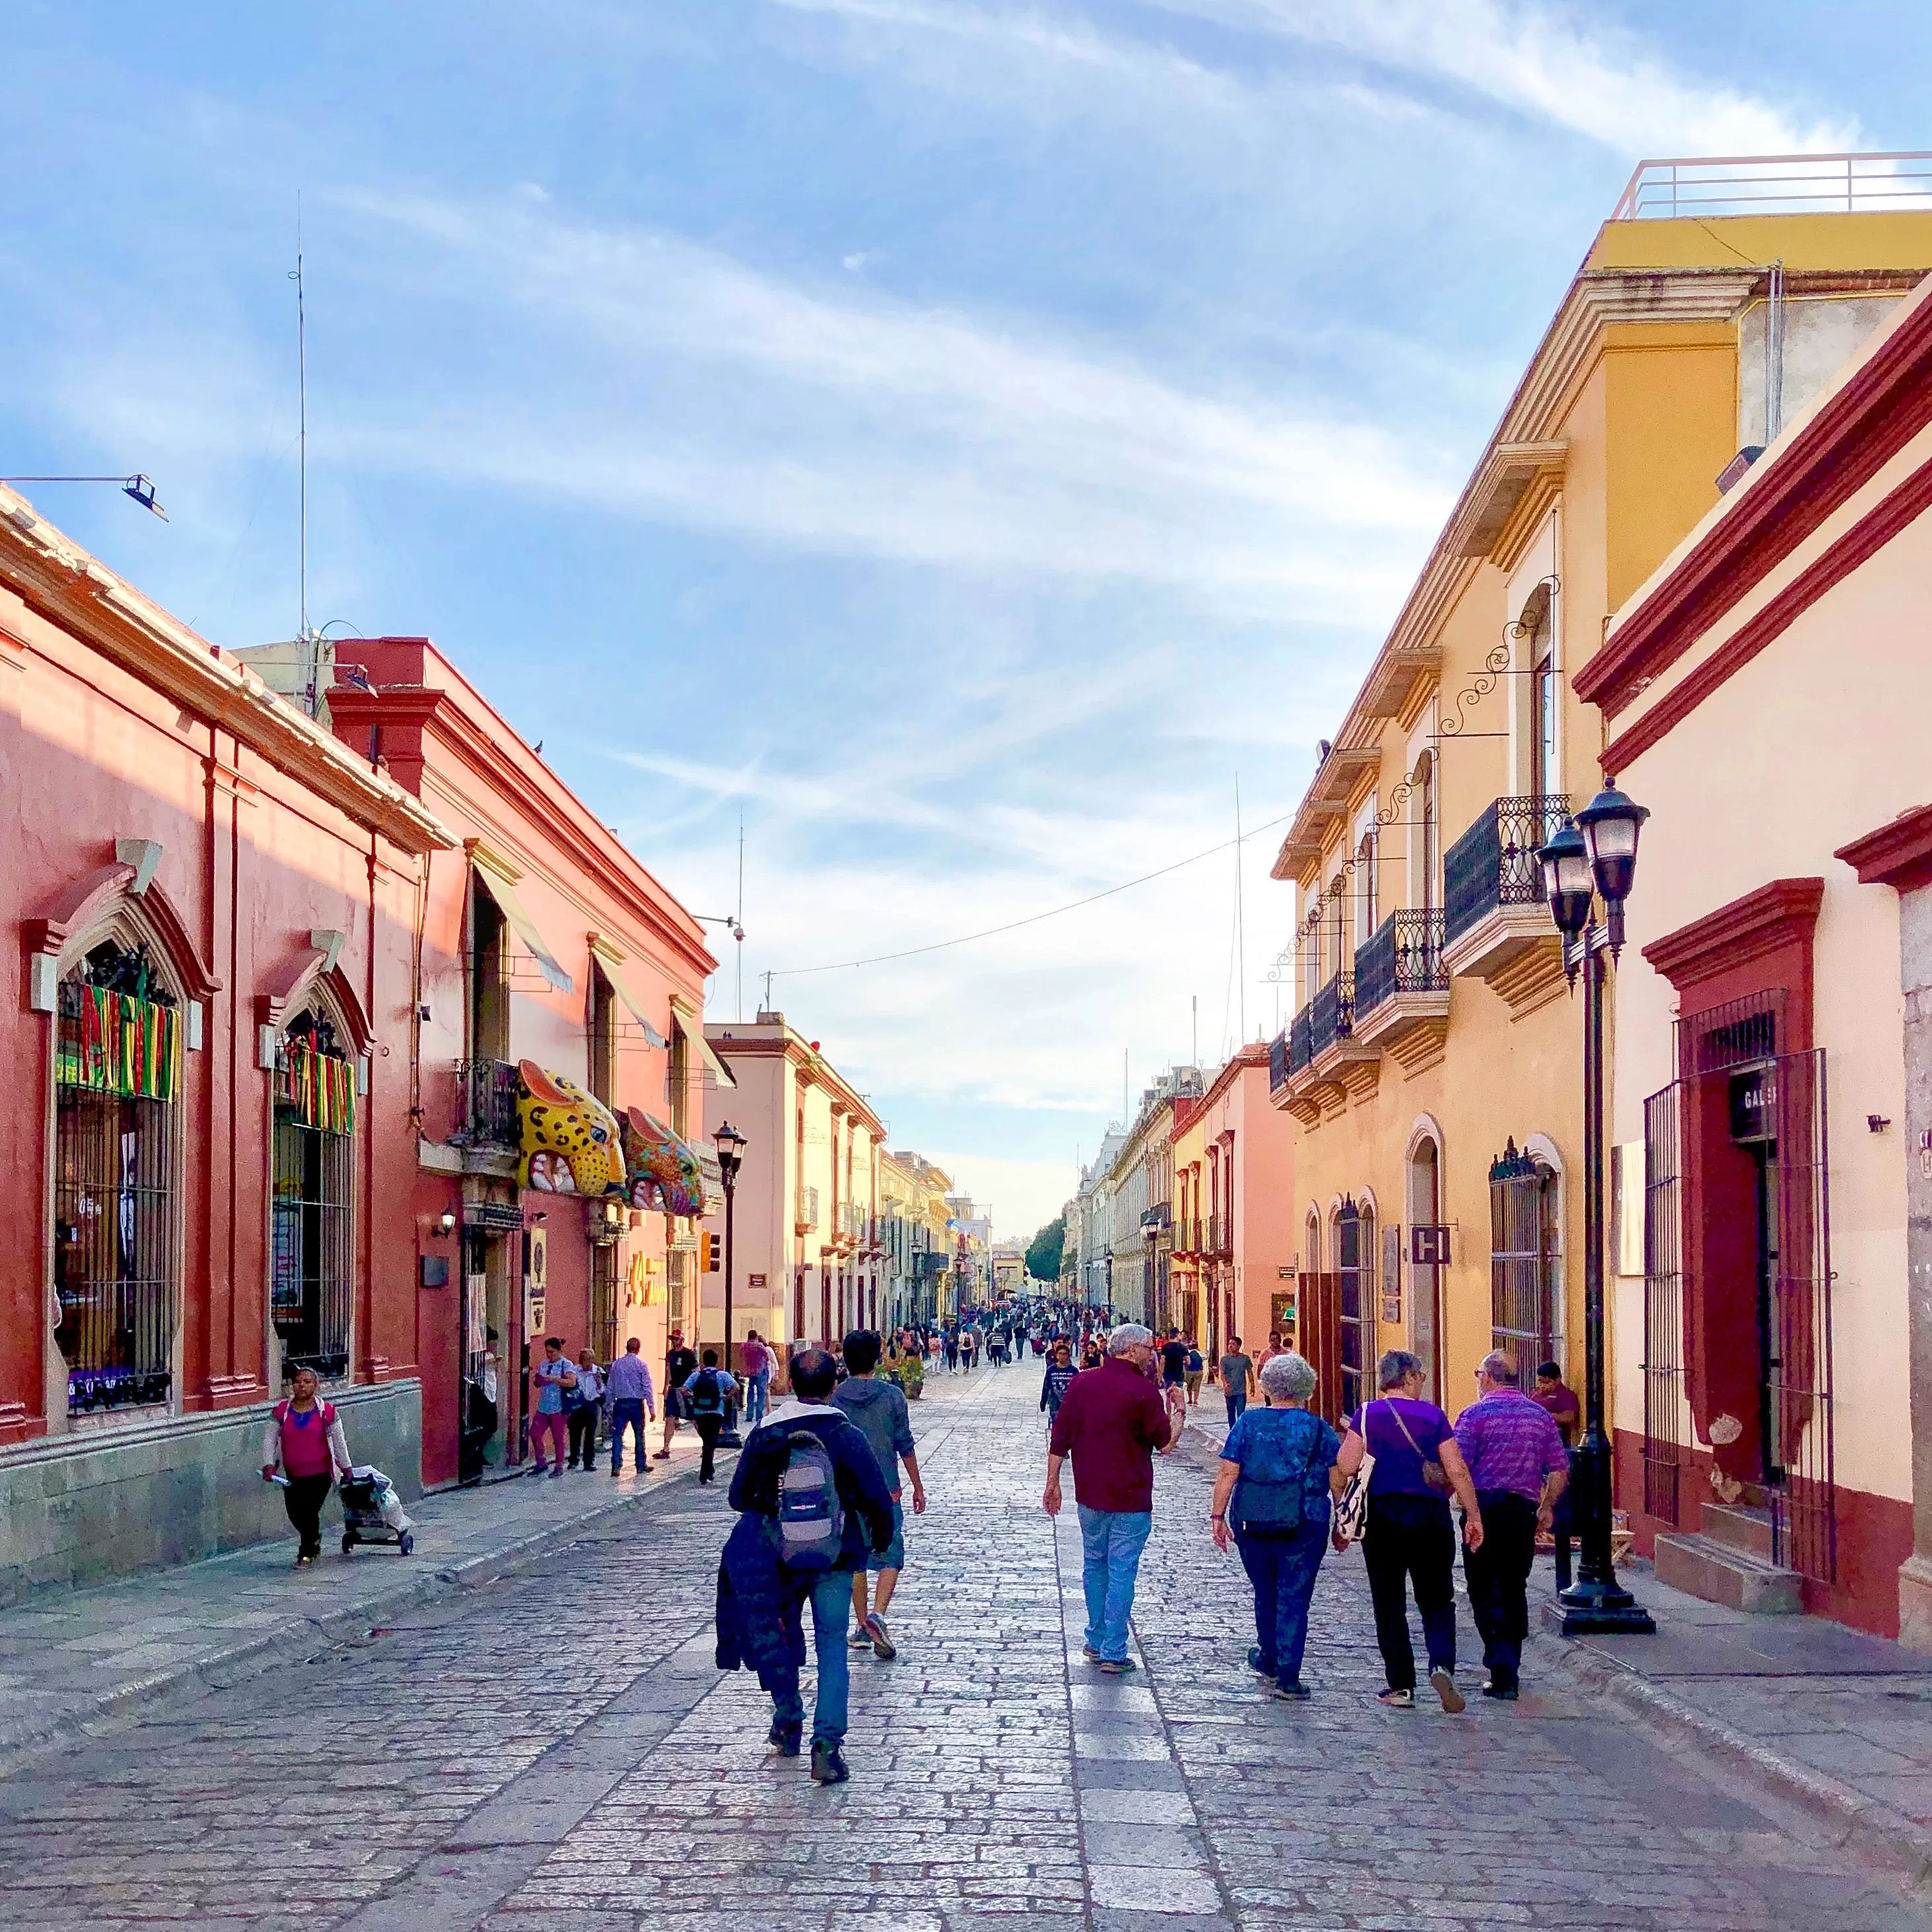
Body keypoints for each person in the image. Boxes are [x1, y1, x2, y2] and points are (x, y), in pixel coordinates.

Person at [723, 1347, 896, 1785]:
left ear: (793, 1385)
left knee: (777, 1637)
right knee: (832, 1646)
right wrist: (878, 1537)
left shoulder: (765, 1433)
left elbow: (738, 1497)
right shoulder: (845, 1434)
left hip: (776, 1557)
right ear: (832, 1386)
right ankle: (827, 1746)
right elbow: (875, 1497)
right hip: (836, 1558)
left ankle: (787, 1720)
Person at [1336, 1349, 1484, 1712]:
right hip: (1429, 1517)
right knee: (1437, 1599)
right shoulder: (1433, 1416)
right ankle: (1441, 1665)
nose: (1422, 1381)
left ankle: (1401, 1686)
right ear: (1408, 1378)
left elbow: (1346, 1464)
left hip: (1383, 1518)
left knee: (1389, 1603)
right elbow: (1457, 1470)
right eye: (1419, 1375)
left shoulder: (1368, 1414)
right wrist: (1474, 1515)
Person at [1042, 1324, 1177, 1674]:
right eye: (1149, 1348)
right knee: (1121, 1571)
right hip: (1131, 1498)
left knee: (1095, 1565)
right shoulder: (1144, 1391)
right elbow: (1165, 1444)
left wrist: (1052, 1482)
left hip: (1090, 1495)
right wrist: (1178, 1413)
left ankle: (1097, 1637)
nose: (1152, 1353)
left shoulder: (1083, 1383)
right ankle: (1114, 1651)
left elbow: (1061, 1436)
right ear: (1132, 1350)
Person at [1210, 1351, 1340, 1699]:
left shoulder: (1248, 1424)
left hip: (1254, 1519)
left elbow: (1228, 1471)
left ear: (1267, 1386)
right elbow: (1337, 1474)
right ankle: (1289, 1675)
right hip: (1306, 1520)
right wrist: (1342, 1515)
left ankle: (1269, 1655)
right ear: (1305, 1388)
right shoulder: (1318, 1428)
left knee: (1265, 1589)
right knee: (1295, 1595)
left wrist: (1218, 1515)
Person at [1455, 1351, 1570, 1700]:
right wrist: (1548, 1506)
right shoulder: (1539, 1417)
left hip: (1484, 1510)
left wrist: (1465, 1508)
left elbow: (1458, 1467)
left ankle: (1498, 1661)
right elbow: (1560, 1469)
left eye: (1478, 1374)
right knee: (1513, 1583)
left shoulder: (1474, 1415)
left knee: (1481, 1585)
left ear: (1488, 1378)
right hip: (1522, 1512)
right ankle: (1510, 1666)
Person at [833, 1330, 927, 1660]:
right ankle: (878, 1614)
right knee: (891, 1554)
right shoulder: (892, 1396)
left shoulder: (835, 1398)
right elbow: (905, 1443)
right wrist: (917, 1484)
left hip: (847, 1492)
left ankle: (860, 1626)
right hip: (888, 1489)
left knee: (856, 1557)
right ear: (877, 1359)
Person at [261, 1366, 352, 1565]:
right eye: (298, 1381)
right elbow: (269, 1440)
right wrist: (269, 1465)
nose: (301, 1386)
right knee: (295, 1513)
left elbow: (339, 1442)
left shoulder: (327, 1412)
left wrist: (347, 1468)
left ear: (316, 1386)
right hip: (293, 1474)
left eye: (307, 1382)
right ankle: (314, 1538)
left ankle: (306, 1553)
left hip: (320, 1474)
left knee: (309, 1512)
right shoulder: (281, 1412)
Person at [1532, 1359, 1583, 1590]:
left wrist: (1546, 1416)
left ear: (1558, 1380)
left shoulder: (1565, 1396)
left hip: (1558, 1449)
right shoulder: (1535, 1396)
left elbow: (1570, 1418)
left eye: (1547, 1382)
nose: (1543, 1386)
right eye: (1541, 1382)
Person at [684, 1349, 739, 1485]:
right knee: (711, 1442)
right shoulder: (722, 1375)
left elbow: (684, 1389)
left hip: (700, 1412)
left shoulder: (697, 1376)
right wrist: (727, 1397)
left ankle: (709, 1470)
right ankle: (705, 1473)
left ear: (704, 1361)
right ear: (716, 1361)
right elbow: (736, 1387)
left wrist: (693, 1397)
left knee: (706, 1442)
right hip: (716, 1412)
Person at [606, 1336, 656, 1477]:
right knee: (639, 1435)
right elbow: (647, 1388)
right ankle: (641, 1465)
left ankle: (616, 1466)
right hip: (636, 1404)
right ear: (638, 1349)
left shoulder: (617, 1365)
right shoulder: (642, 1365)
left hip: (620, 1403)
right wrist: (652, 1408)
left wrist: (608, 1404)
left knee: (617, 1435)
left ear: (626, 1348)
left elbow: (611, 1386)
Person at [530, 1337, 577, 1478]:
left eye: (552, 1352)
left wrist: (555, 1380)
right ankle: (541, 1461)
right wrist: (539, 1380)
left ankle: (559, 1465)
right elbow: (538, 1381)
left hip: (559, 1407)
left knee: (558, 1438)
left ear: (559, 1351)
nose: (549, 1355)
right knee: (535, 1433)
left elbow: (572, 1382)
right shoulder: (544, 1364)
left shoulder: (566, 1364)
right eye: (547, 1352)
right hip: (544, 1406)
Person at [656, 1328, 698, 1460]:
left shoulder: (689, 1354)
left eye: (676, 1339)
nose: (674, 1341)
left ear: (682, 1340)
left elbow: (696, 1371)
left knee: (694, 1419)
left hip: (685, 1390)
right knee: (670, 1418)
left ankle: (707, 1444)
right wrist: (666, 1386)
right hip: (674, 1390)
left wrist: (690, 1388)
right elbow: (668, 1370)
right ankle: (666, 1449)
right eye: (673, 1339)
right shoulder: (671, 1354)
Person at [565, 1348, 604, 1471]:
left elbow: (603, 1391)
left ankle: (589, 1462)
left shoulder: (598, 1372)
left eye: (590, 1359)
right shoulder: (575, 1371)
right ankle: (574, 1460)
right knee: (575, 1433)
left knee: (590, 1434)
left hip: (592, 1404)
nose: (588, 1363)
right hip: (578, 1405)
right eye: (585, 1360)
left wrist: (598, 1382)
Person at [1040, 1339, 1078, 1428]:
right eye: (1060, 1354)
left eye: (1064, 1354)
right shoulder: (1051, 1370)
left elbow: (1079, 1389)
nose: (1062, 1356)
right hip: (1055, 1402)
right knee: (1057, 1425)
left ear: (1068, 1356)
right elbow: (1046, 1387)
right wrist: (1043, 1402)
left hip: (1070, 1403)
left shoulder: (1074, 1371)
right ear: (1056, 1355)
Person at [741, 1330, 774, 1431]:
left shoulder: (744, 1346)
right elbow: (767, 1357)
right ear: (756, 1337)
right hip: (760, 1372)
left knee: (750, 1394)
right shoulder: (760, 1346)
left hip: (749, 1372)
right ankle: (759, 1415)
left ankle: (749, 1415)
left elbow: (741, 1355)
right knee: (761, 1394)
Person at [1220, 1338, 1254, 1430]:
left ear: (1239, 1346)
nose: (1230, 1346)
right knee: (1231, 1413)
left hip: (1241, 1391)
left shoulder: (1245, 1359)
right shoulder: (1224, 1360)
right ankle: (1232, 1430)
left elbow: (1250, 1372)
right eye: (1229, 1344)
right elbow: (1222, 1373)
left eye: (1233, 1344)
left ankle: (1240, 1430)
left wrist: (1252, 1386)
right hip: (1229, 1391)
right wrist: (1225, 1383)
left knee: (1241, 1412)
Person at [1159, 1328, 1188, 1394]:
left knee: (1168, 1396)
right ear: (1177, 1335)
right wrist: (1183, 1362)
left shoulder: (1165, 1347)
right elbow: (1188, 1362)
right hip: (1179, 1375)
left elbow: (1162, 1362)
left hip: (1168, 1375)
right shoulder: (1183, 1347)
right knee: (1178, 1396)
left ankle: (1168, 1404)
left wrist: (1160, 1376)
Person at [1184, 1341, 1205, 1407]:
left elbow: (1185, 1361)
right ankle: (1195, 1401)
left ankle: (1190, 1400)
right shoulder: (1201, 1353)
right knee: (1197, 1387)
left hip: (1189, 1371)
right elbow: (1206, 1357)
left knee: (1189, 1386)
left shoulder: (1188, 1353)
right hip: (1199, 1371)